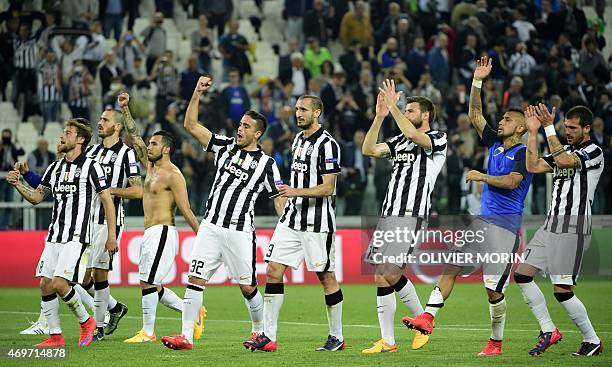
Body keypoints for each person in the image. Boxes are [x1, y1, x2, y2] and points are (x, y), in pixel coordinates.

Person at [403, 56, 533, 357]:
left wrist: (481, 175)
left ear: (521, 128)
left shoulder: (525, 153)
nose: (500, 122)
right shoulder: (496, 144)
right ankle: (428, 318)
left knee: (493, 290)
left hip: (505, 229)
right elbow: (475, 114)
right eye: (500, 119)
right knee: (450, 267)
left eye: (507, 120)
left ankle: (496, 341)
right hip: (482, 223)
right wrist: (477, 81)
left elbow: (513, 182)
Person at [160, 76, 286, 351]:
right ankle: (186, 337)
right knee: (195, 279)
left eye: (246, 127)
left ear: (257, 134)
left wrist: (286, 229)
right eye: (240, 124)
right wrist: (196, 92)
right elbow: (190, 125)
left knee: (248, 287)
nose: (240, 129)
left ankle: (259, 333)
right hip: (211, 226)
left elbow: (278, 198)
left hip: (240, 231)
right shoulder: (224, 146)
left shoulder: (267, 165)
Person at [6, 118, 117, 347]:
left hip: (77, 237)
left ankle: (87, 322)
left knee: (59, 283)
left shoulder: (92, 167)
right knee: (45, 284)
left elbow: (107, 200)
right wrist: (18, 185)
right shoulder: (54, 168)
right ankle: (56, 336)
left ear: (80, 139)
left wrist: (111, 236)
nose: (61, 135)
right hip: (54, 236)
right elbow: (37, 197)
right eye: (63, 131)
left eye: (68, 132)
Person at [246, 95, 345, 352]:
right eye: (297, 109)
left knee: (326, 277)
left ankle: (337, 336)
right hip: (292, 218)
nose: (298, 113)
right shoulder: (298, 140)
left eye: (304, 109)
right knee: (273, 270)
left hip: (317, 223)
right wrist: (288, 199)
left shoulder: (328, 145)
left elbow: (328, 188)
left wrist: (295, 192)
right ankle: (268, 336)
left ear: (317, 113)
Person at [361, 84, 447, 353]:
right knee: (381, 275)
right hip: (389, 213)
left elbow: (413, 133)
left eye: (411, 110)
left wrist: (394, 107)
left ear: (426, 115)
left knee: (389, 272)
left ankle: (419, 324)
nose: (407, 114)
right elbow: (368, 150)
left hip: (411, 214)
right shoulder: (399, 142)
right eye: (405, 109)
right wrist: (379, 116)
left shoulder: (438, 138)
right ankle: (392, 339)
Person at [516, 104, 603, 357]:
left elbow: (565, 161)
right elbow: (532, 166)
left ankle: (592, 340)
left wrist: (547, 127)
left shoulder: (593, 152)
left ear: (587, 128)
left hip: (573, 226)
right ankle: (549, 330)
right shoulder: (563, 149)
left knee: (561, 290)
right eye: (566, 127)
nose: (568, 132)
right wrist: (532, 133)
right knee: (522, 275)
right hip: (550, 225)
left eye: (573, 128)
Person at [118, 93, 204, 344]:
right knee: (151, 283)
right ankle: (194, 313)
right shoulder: (152, 168)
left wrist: (202, 237)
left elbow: (186, 209)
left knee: (148, 282)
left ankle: (148, 332)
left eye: (154, 144)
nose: (148, 146)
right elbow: (134, 138)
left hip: (164, 232)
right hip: (149, 232)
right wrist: (125, 109)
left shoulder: (173, 175)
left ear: (166, 149)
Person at [82, 105, 145, 341]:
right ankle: (116, 308)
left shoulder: (126, 154)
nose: (100, 123)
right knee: (81, 279)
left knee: (99, 273)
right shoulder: (91, 152)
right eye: (99, 119)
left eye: (105, 120)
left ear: (117, 126)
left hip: (108, 221)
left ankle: (97, 328)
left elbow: (138, 190)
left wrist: (108, 191)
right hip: (84, 220)